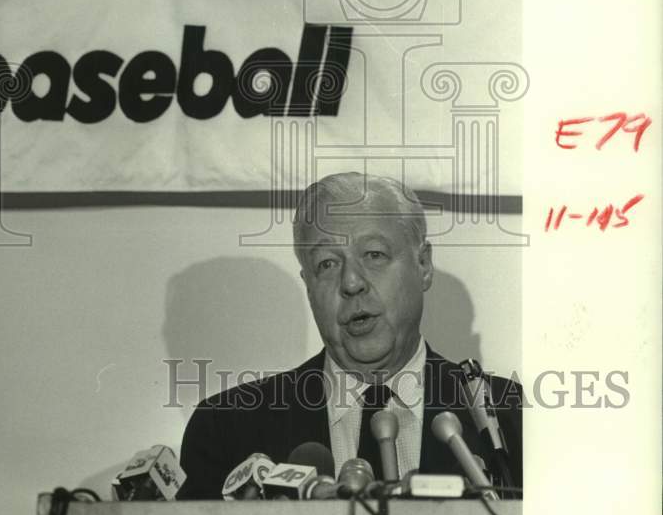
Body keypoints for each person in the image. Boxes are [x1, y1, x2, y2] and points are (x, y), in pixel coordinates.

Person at [178, 172, 523, 498]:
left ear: (424, 265)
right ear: (309, 285)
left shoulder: (514, 419)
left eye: (374, 255)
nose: (351, 283)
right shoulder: (226, 428)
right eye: (327, 264)